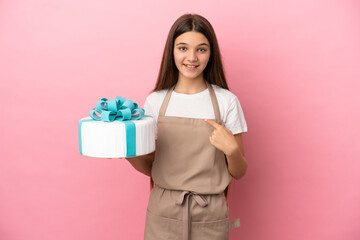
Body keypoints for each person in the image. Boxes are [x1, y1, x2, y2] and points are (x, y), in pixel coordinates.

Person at [126, 13, 248, 240]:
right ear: (171, 52)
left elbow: (239, 172)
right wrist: (126, 151)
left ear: (211, 54)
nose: (191, 57)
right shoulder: (156, 101)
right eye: (183, 48)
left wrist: (231, 150)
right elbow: (151, 167)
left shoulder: (226, 101)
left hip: (209, 213)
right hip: (163, 212)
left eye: (201, 49)